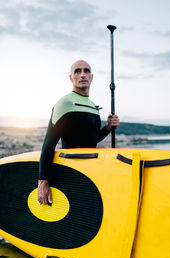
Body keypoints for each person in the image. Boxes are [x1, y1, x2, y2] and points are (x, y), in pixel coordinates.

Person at [38, 60, 119, 205]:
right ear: (71, 78)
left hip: (93, 173)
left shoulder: (93, 106)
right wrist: (43, 181)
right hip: (71, 173)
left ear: (92, 77)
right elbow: (49, 143)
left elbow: (92, 140)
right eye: (77, 71)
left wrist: (107, 128)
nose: (83, 75)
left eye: (86, 71)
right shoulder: (65, 103)